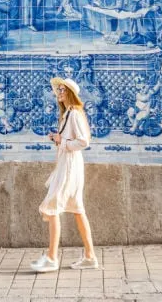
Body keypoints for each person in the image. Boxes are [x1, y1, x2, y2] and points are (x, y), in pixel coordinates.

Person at [31, 78, 98, 273]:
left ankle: (52, 257)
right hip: (68, 164)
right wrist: (59, 140)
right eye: (57, 90)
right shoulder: (68, 113)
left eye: (61, 89)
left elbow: (84, 141)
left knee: (52, 206)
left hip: (69, 165)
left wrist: (63, 141)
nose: (58, 93)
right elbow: (71, 140)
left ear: (70, 92)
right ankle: (89, 256)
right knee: (77, 209)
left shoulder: (75, 113)